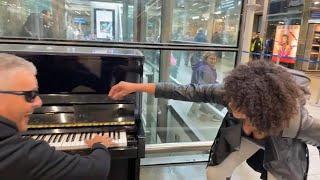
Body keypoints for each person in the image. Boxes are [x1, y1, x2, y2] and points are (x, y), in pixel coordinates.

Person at [108, 60, 320, 179]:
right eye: (232, 103)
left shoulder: (295, 122)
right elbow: (186, 91)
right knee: (215, 174)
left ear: (260, 112)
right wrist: (136, 87)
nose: (231, 106)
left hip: (282, 147)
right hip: (241, 137)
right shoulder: (234, 94)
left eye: (241, 110)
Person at [0, 53, 114, 179]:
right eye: (30, 95)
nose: (39, 102)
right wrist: (100, 145)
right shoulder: (22, 152)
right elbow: (96, 170)